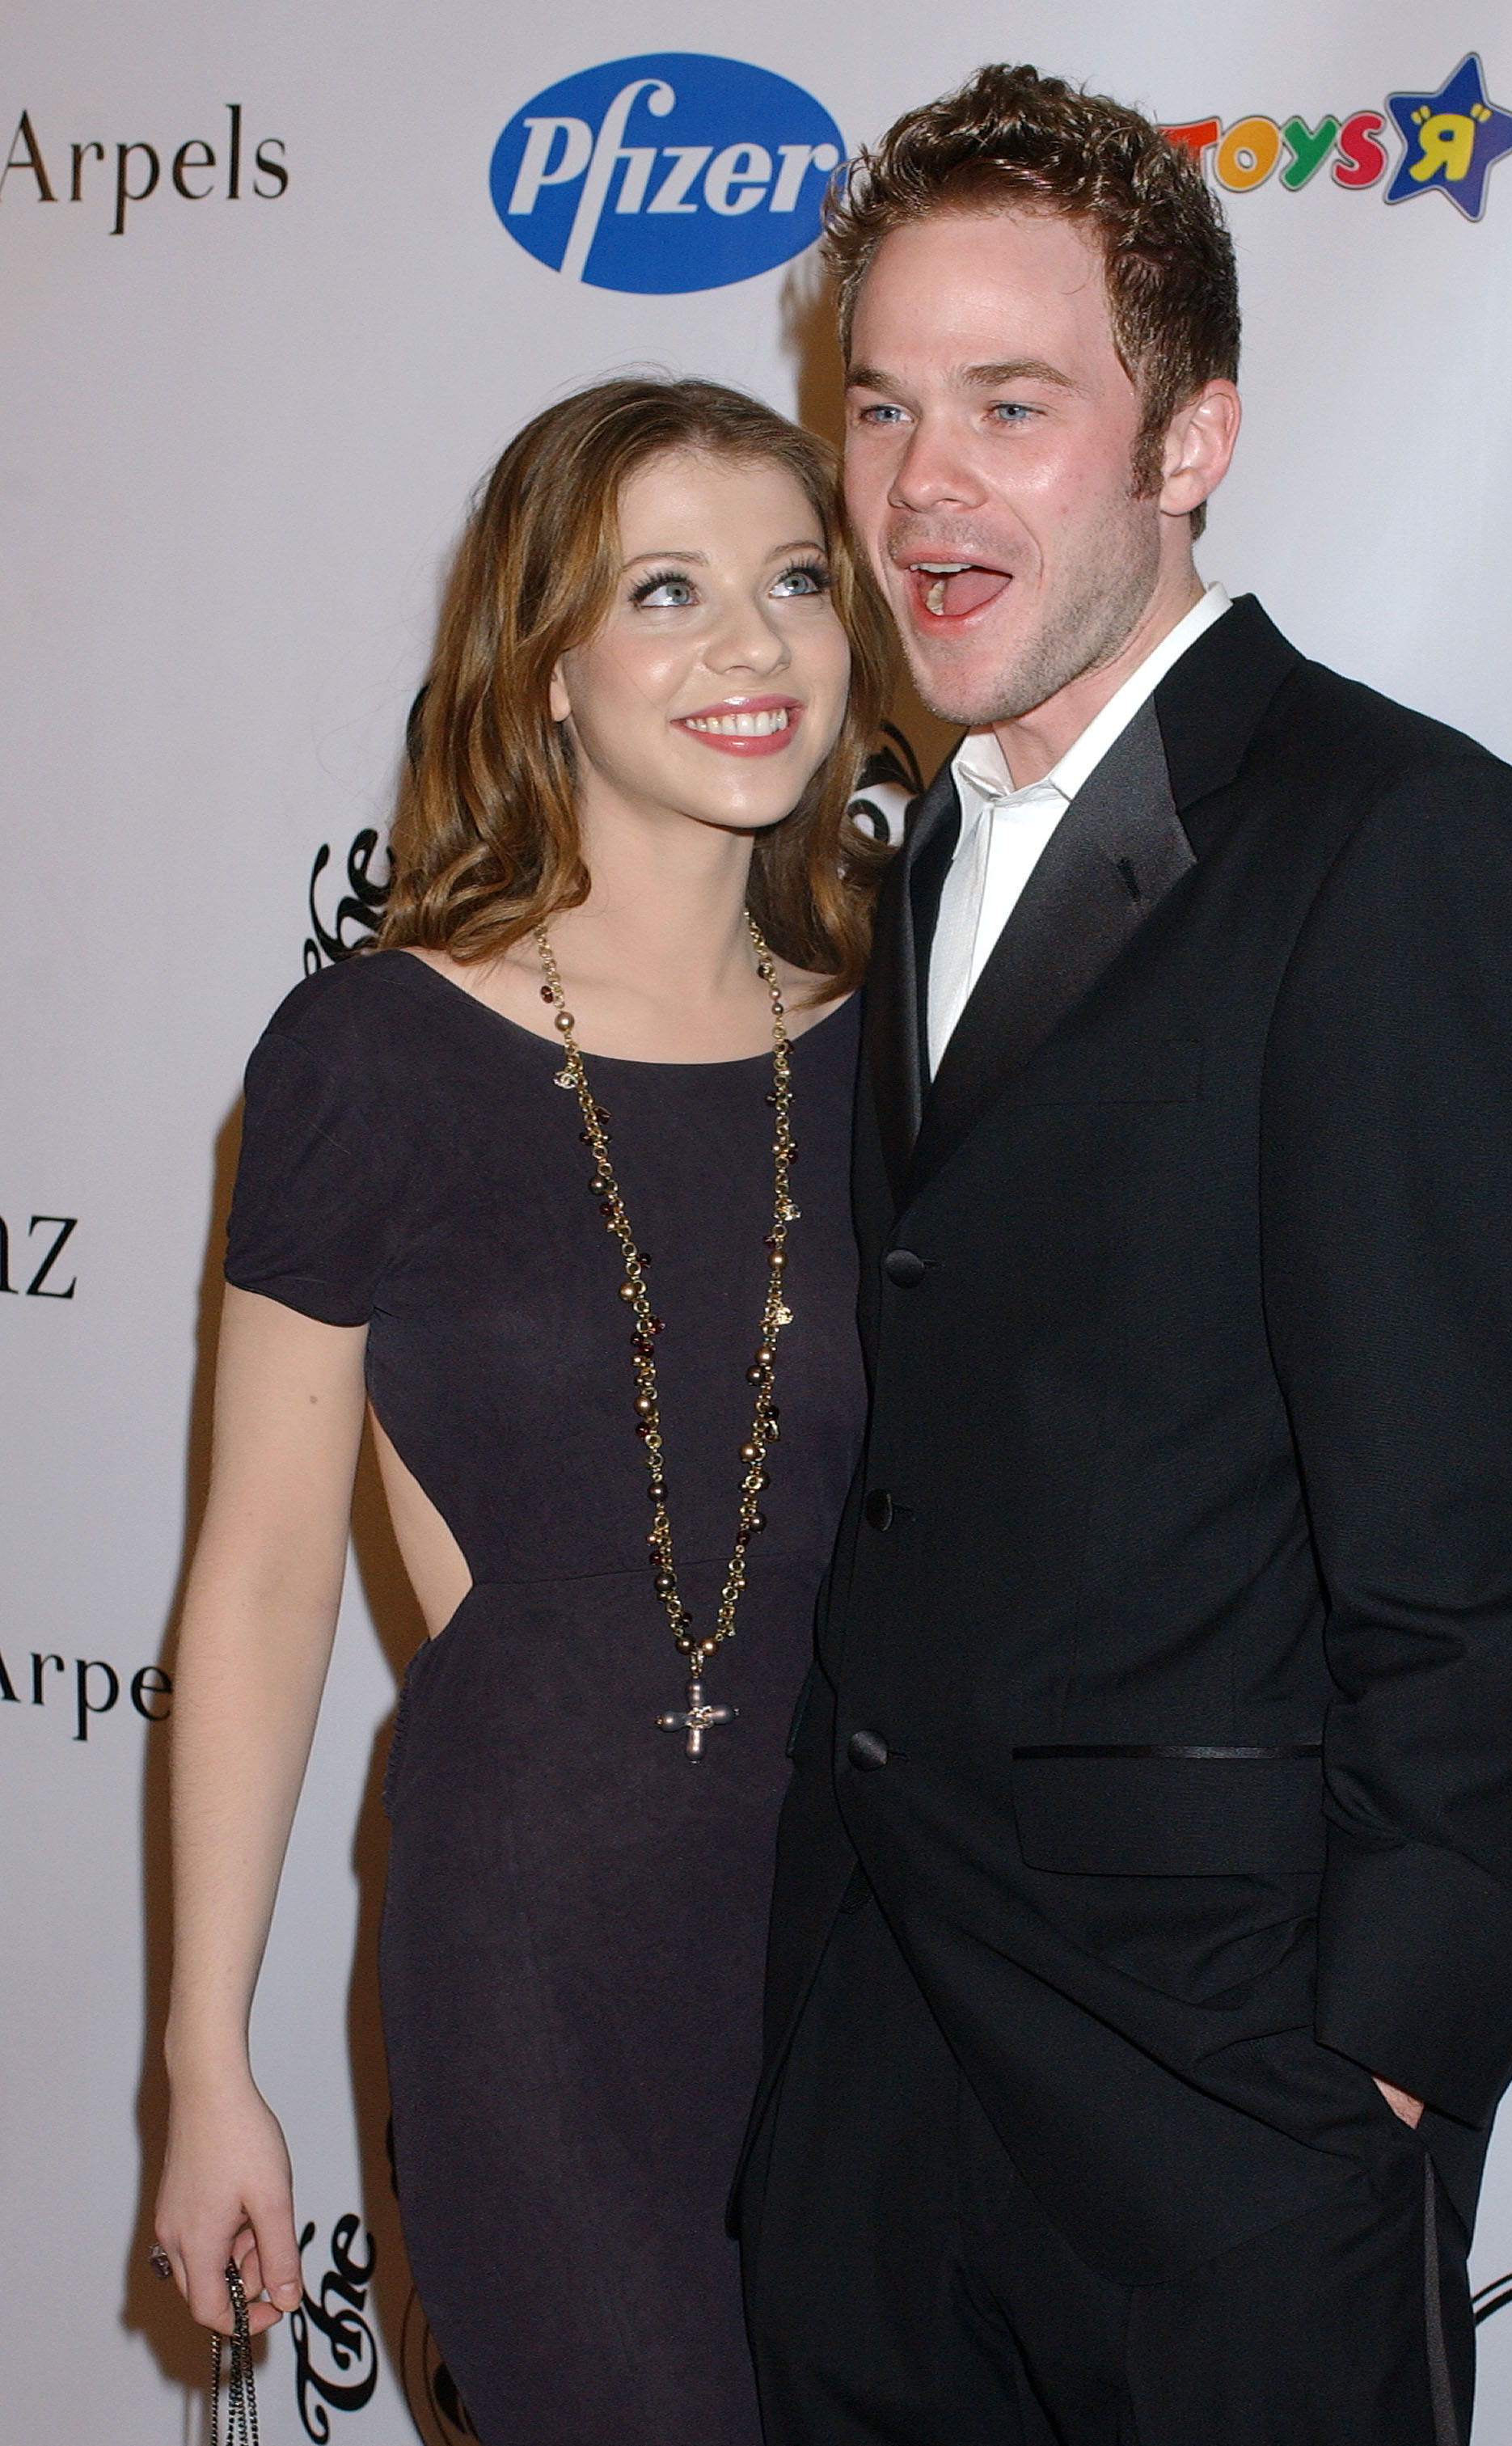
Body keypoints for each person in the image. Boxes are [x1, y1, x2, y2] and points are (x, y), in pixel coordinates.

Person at [737, 65, 1512, 2446]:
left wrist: (1375, 2085)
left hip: (1214, 2118)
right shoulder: (925, 848)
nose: (922, 485)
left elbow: (1477, 1559)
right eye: (883, 409)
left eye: (1010, 406)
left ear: (1189, 435)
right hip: (878, 2088)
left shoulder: (1390, 845)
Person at [153, 376, 893, 2446]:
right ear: (548, 665)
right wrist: (208, 2054)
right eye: (669, 590)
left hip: (876, 1973)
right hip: (536, 1970)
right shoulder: (370, 1054)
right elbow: (265, 1574)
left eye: (795, 583)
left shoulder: (908, 1056)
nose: (753, 649)